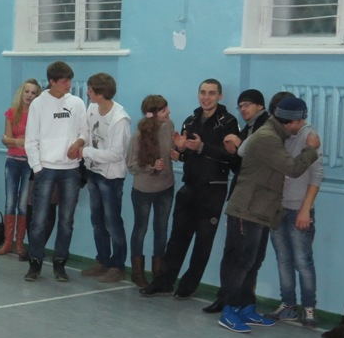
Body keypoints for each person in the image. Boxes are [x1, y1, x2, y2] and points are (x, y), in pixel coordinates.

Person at [217, 96, 320, 333]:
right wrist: (311, 149)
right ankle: (228, 311)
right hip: (247, 210)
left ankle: (246, 308)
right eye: (300, 121)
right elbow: (293, 168)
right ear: (290, 122)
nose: (302, 124)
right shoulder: (267, 138)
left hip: (260, 210)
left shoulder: (275, 134)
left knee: (253, 262)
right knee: (241, 263)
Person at [140, 79, 239, 299]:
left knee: (203, 242)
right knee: (177, 238)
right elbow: (188, 155)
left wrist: (203, 147)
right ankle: (163, 282)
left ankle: (188, 286)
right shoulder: (191, 120)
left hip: (213, 189)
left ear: (220, 96)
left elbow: (232, 158)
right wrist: (180, 152)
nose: (206, 97)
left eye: (211, 93)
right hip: (190, 186)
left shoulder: (229, 122)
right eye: (203, 92)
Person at [201, 89, 272, 313]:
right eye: (240, 106)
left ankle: (238, 303)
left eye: (247, 104)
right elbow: (240, 167)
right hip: (241, 199)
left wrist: (239, 146)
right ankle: (228, 300)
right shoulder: (248, 128)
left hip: (253, 202)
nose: (243, 109)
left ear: (260, 106)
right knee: (234, 253)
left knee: (246, 257)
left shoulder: (265, 128)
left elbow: (260, 162)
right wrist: (233, 152)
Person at [23, 62, 88, 282]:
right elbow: (30, 139)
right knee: (39, 221)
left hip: (70, 171)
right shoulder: (38, 104)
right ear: (52, 82)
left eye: (70, 80)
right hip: (46, 170)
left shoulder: (77, 103)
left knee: (66, 221)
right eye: (64, 81)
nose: (68, 85)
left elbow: (85, 131)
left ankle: (60, 264)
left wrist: (78, 143)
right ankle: (35, 263)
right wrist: (38, 168)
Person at [264, 92, 323, 327]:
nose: (288, 126)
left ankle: (309, 308)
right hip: (278, 208)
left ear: (299, 120)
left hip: (299, 208)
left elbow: (316, 176)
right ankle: (288, 305)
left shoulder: (309, 135)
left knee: (303, 261)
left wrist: (305, 210)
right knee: (283, 260)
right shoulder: (277, 134)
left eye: (291, 121)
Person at [79, 73, 131, 283]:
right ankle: (102, 260)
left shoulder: (120, 119)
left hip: (111, 177)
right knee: (97, 220)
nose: (87, 92)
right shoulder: (92, 108)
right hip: (93, 172)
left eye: (91, 89)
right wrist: (80, 144)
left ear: (101, 93)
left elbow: (116, 154)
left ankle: (117, 266)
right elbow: (86, 131)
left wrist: (85, 152)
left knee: (112, 222)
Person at [125, 95, 175, 288]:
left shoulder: (169, 126)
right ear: (152, 114)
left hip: (166, 187)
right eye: (163, 110)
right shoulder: (138, 135)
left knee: (161, 230)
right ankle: (137, 273)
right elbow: (131, 165)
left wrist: (177, 151)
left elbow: (172, 151)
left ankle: (158, 273)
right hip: (143, 190)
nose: (168, 112)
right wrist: (150, 167)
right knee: (141, 229)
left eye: (167, 108)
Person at [0, 79, 40, 257]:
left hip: (29, 163)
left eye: (33, 93)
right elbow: (5, 140)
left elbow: (36, 142)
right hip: (12, 162)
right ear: (21, 93)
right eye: (27, 91)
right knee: (10, 203)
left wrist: (14, 141)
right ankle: (8, 242)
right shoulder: (12, 112)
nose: (29, 95)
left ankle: (20, 243)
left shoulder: (38, 115)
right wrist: (21, 141)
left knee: (23, 205)